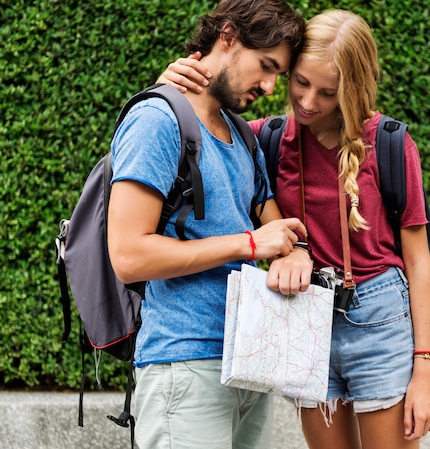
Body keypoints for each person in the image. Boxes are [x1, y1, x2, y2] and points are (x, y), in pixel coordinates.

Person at [158, 9, 430, 449]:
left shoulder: (388, 144)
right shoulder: (265, 140)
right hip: (306, 317)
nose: (309, 102)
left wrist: (426, 368)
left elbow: (419, 260)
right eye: (301, 83)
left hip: (380, 319)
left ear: (353, 89)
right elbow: (200, 129)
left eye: (328, 93)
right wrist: (171, 83)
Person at [107, 1, 311, 448]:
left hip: (247, 363)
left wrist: (294, 252)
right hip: (185, 364)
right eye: (266, 66)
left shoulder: (242, 135)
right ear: (228, 37)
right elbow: (128, 256)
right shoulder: (156, 121)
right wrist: (247, 245)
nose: (271, 85)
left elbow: (278, 234)